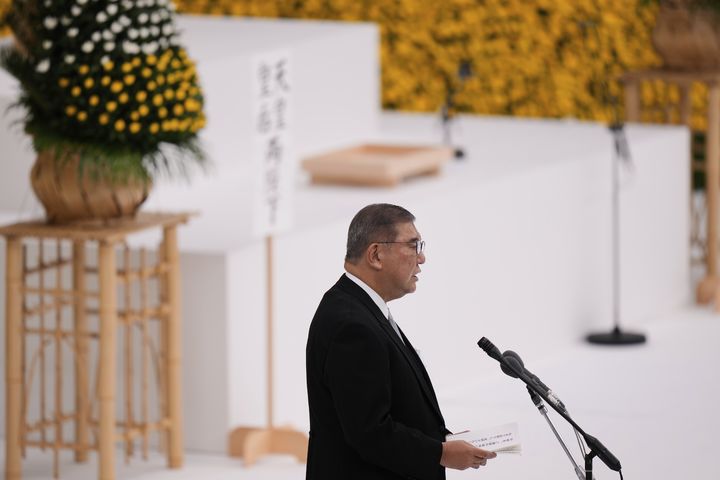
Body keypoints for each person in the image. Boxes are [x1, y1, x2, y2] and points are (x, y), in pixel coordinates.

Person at [305, 203, 496, 480]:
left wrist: (441, 439)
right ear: (376, 255)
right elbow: (370, 432)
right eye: (413, 246)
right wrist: (439, 453)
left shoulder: (359, 307)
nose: (422, 258)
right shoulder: (352, 326)